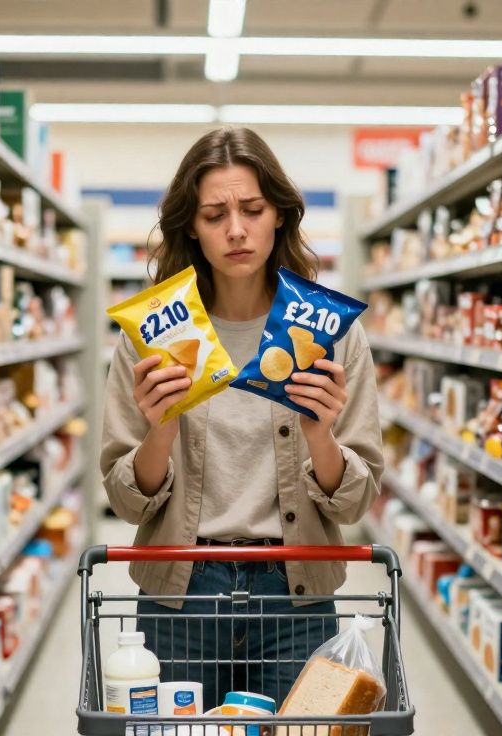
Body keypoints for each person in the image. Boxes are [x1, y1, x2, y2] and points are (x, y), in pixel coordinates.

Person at [100, 127, 383, 708]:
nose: (235, 230)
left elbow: (354, 504)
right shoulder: (153, 338)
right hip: (182, 593)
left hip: (294, 594)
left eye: (252, 209)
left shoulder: (328, 335)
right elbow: (127, 503)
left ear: (279, 214)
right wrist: (161, 430)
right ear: (190, 227)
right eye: (213, 215)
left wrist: (319, 435)